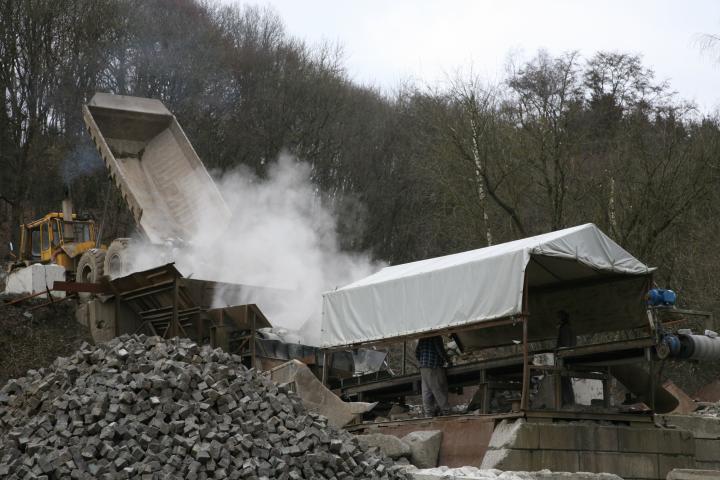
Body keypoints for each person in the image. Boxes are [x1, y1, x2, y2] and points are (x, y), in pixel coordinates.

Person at [415, 335, 451, 417]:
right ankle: (446, 413)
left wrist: (422, 361)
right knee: (438, 389)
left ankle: (428, 414)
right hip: (433, 366)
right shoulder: (436, 336)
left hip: (423, 367)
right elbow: (440, 350)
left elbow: (417, 352)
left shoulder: (422, 337)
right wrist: (448, 360)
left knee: (427, 391)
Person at [556, 310, 576, 406]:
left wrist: (557, 352)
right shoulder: (570, 328)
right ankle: (569, 401)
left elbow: (565, 345)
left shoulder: (564, 329)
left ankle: (566, 401)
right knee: (566, 380)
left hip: (564, 357)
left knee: (563, 380)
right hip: (569, 357)